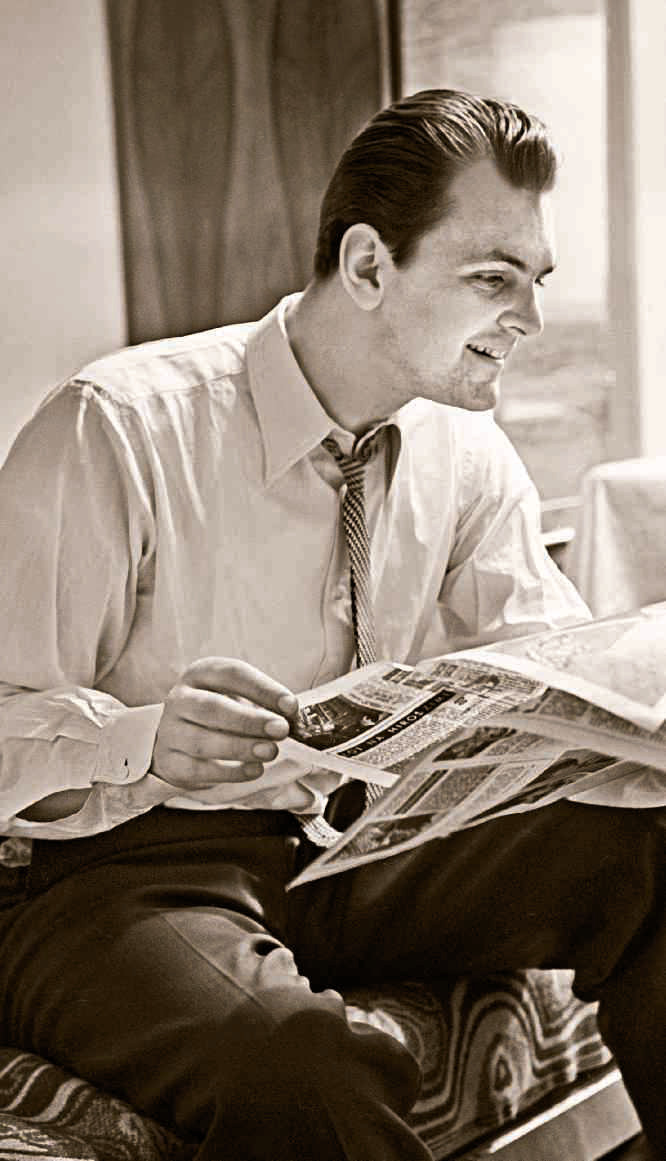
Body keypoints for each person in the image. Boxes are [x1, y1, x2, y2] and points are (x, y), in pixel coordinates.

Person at [0, 89, 663, 1160]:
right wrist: (143, 737)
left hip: (351, 843)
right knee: (301, 1061)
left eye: (535, 283)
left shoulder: (464, 450)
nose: (529, 322)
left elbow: (552, 674)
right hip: (112, 874)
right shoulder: (117, 426)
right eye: (493, 279)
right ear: (366, 266)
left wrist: (624, 718)